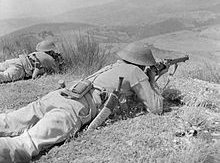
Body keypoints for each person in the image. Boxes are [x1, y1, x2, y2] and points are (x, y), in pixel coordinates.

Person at [0, 42, 168, 163]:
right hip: (74, 109)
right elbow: (156, 107)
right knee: (25, 144)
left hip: (58, 95)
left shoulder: (113, 66)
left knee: (8, 121)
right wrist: (151, 80)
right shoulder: (135, 72)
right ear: (144, 63)